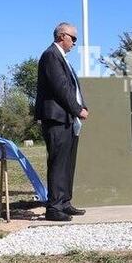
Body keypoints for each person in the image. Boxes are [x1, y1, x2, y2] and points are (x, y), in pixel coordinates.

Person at [35, 22, 89, 222]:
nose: (75, 43)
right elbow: (61, 88)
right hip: (56, 118)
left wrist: (82, 107)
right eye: (73, 38)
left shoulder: (62, 59)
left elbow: (72, 87)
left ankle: (64, 202)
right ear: (61, 36)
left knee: (67, 162)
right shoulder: (51, 56)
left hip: (68, 119)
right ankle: (54, 207)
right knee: (58, 163)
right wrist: (77, 109)